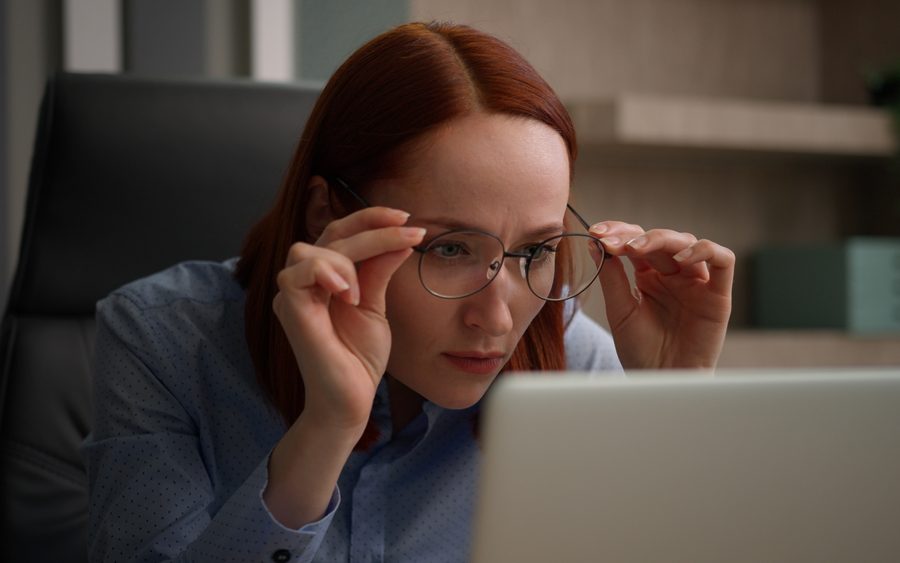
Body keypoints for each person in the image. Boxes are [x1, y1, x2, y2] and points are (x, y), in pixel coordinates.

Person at [83, 21, 734, 563]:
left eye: (536, 251)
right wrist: (327, 427)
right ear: (326, 213)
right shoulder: (159, 338)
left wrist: (674, 406)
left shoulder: (572, 359)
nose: (496, 318)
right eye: (449, 249)